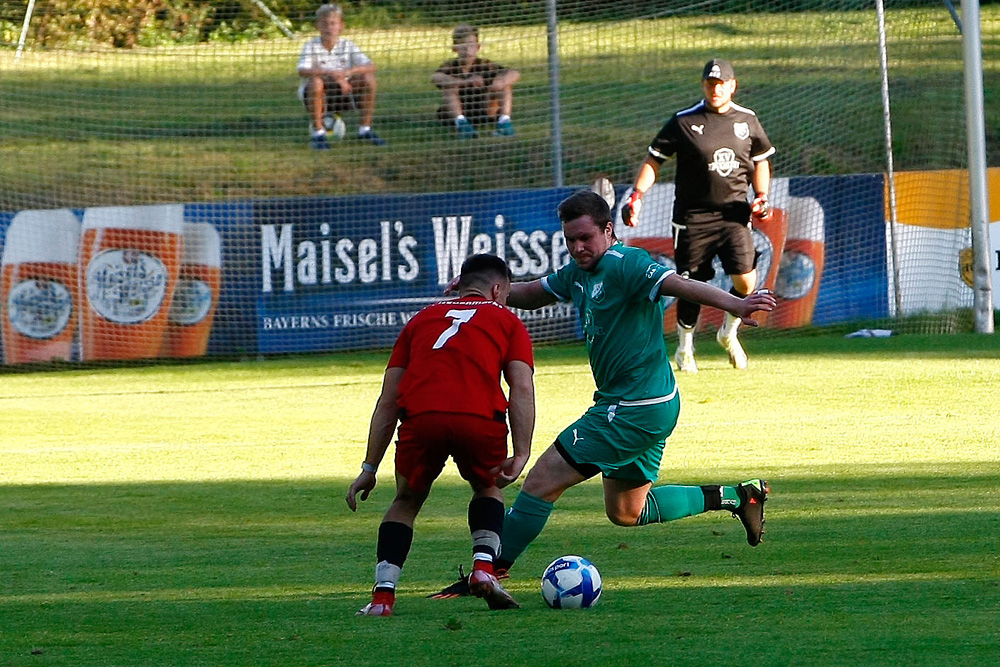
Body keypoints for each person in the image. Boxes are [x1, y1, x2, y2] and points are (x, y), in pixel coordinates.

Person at [432, 189, 775, 600]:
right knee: (628, 512)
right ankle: (740, 496)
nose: (577, 248)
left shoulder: (625, 263)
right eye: (570, 240)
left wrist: (734, 303)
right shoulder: (579, 272)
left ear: (608, 230)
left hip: (631, 408)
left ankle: (488, 572)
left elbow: (680, 284)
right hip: (649, 404)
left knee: (541, 480)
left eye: (585, 238)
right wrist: (480, 292)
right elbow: (532, 293)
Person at [346, 253, 536, 616]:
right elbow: (521, 388)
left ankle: (383, 599)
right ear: (498, 289)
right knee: (487, 487)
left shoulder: (419, 319)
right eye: (507, 294)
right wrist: (522, 450)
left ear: (460, 285)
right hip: (479, 420)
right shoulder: (507, 321)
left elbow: (388, 399)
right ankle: (483, 569)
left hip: (421, 419)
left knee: (405, 501)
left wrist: (369, 467)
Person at [621, 58, 775, 372]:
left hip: (734, 215)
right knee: (691, 283)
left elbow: (761, 160)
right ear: (703, 85)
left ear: (733, 85)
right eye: (710, 83)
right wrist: (636, 196)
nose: (715, 89)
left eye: (721, 84)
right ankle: (685, 347)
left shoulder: (748, 119)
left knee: (746, 281)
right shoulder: (684, 121)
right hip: (692, 218)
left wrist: (761, 196)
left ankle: (728, 332)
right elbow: (654, 160)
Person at [297, 4, 387, 149]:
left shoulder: (348, 45)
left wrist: (348, 73)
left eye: (333, 23)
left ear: (341, 26)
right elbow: (302, 70)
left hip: (345, 93)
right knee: (315, 82)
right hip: (319, 94)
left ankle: (365, 130)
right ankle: (318, 134)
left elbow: (371, 66)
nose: (329, 27)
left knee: (368, 78)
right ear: (317, 26)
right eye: (324, 23)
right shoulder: (310, 46)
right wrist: (330, 74)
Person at [431, 24, 521, 139]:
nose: (468, 49)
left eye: (471, 44)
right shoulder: (451, 66)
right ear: (455, 48)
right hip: (459, 111)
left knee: (505, 86)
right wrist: (465, 82)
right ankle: (462, 125)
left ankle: (504, 123)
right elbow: (436, 77)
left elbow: (514, 73)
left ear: (478, 47)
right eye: (462, 45)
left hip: (484, 110)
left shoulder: (484, 64)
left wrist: (501, 81)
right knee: (449, 87)